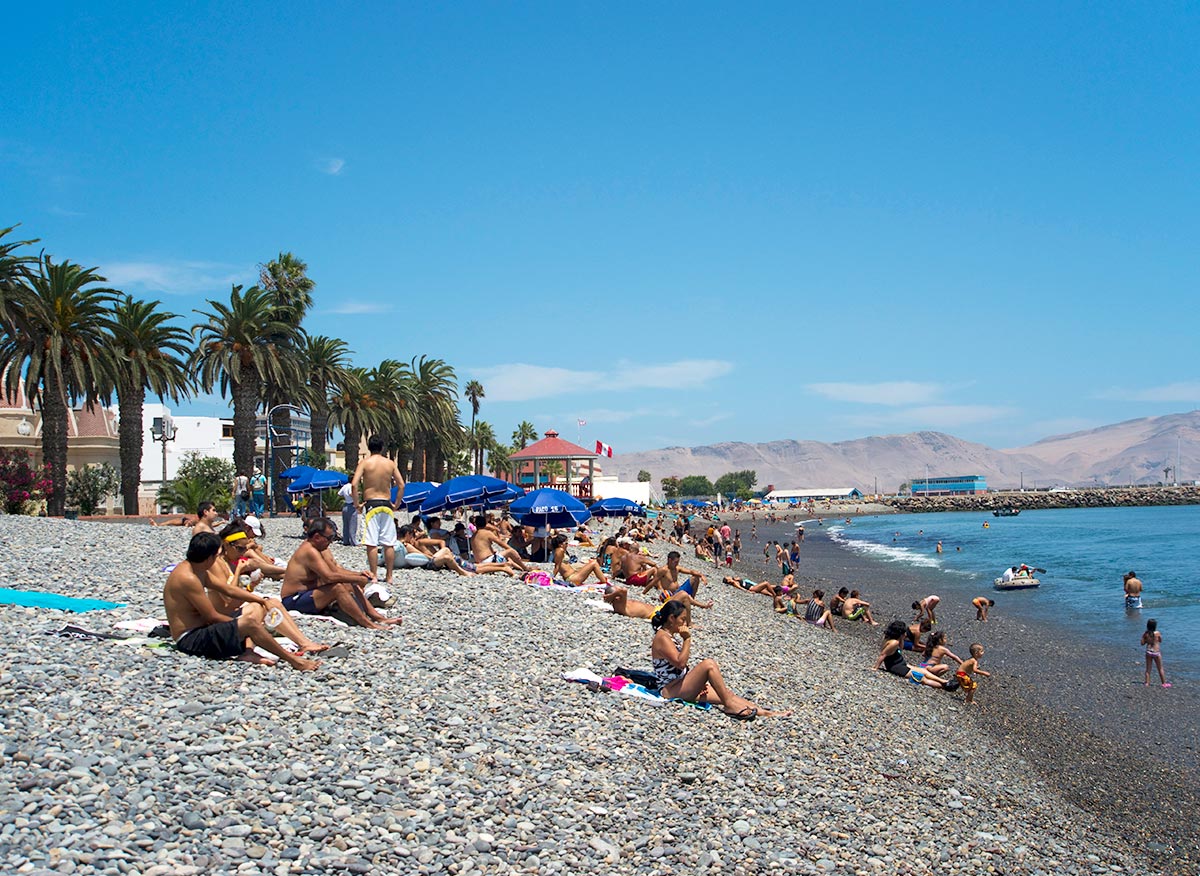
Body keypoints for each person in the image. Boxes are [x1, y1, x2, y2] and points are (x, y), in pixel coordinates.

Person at [163, 532, 319, 671]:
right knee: (249, 623)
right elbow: (211, 616)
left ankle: (250, 652)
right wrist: (246, 627)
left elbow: (227, 589)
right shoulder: (188, 578)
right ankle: (294, 661)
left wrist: (261, 600)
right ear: (209, 557)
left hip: (201, 629)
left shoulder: (198, 569)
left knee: (255, 611)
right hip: (191, 638)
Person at [650, 601, 790, 718]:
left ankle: (766, 713)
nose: (685, 623)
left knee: (726, 694)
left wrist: (695, 682)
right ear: (671, 618)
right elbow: (680, 663)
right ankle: (730, 707)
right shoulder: (662, 637)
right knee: (709, 664)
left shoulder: (669, 636)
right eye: (682, 619)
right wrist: (687, 639)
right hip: (670, 690)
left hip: (682, 684)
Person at [206, 522, 330, 655]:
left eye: (244, 549)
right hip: (222, 619)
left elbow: (237, 597)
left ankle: (303, 642)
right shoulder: (217, 565)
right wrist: (239, 571)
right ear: (226, 545)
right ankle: (251, 651)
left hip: (234, 612)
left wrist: (250, 586)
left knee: (273, 603)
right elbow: (228, 596)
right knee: (261, 606)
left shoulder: (231, 563)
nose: (242, 553)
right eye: (240, 549)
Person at [281, 517, 402, 630]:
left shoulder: (317, 549)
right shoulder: (309, 551)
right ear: (317, 537)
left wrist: (358, 575)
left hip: (306, 594)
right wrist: (356, 579)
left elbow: (334, 570)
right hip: (293, 600)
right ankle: (367, 623)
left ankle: (377, 617)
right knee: (338, 588)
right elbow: (328, 577)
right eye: (329, 538)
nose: (331, 542)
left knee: (349, 584)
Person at [352, 435, 405, 586]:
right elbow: (401, 485)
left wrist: (357, 504)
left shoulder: (365, 463)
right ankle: (389, 576)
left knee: (372, 543)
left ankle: (374, 575)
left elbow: (354, 485)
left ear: (369, 447)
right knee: (389, 543)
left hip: (371, 504)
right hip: (386, 505)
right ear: (382, 448)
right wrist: (396, 503)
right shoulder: (390, 464)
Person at [874, 620, 947, 689]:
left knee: (924, 671)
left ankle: (943, 681)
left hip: (900, 663)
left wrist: (901, 639)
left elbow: (900, 649)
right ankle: (944, 686)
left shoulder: (891, 639)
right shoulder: (894, 643)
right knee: (922, 678)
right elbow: (883, 654)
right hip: (896, 667)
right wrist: (875, 667)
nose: (905, 634)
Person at [1142, 619, 1169, 687]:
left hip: (1148, 651)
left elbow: (1142, 643)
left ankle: (1147, 683)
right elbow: (1160, 640)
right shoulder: (1157, 633)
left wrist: (1147, 640)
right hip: (1156, 652)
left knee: (1148, 669)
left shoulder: (1146, 633)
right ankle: (1164, 683)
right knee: (1160, 668)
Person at [338, 480, 358, 546]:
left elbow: (339, 493)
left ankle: (345, 540)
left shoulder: (345, 486)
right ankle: (353, 541)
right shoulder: (351, 486)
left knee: (346, 524)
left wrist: (345, 497)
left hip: (346, 505)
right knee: (353, 524)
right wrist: (356, 496)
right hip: (351, 505)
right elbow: (350, 493)